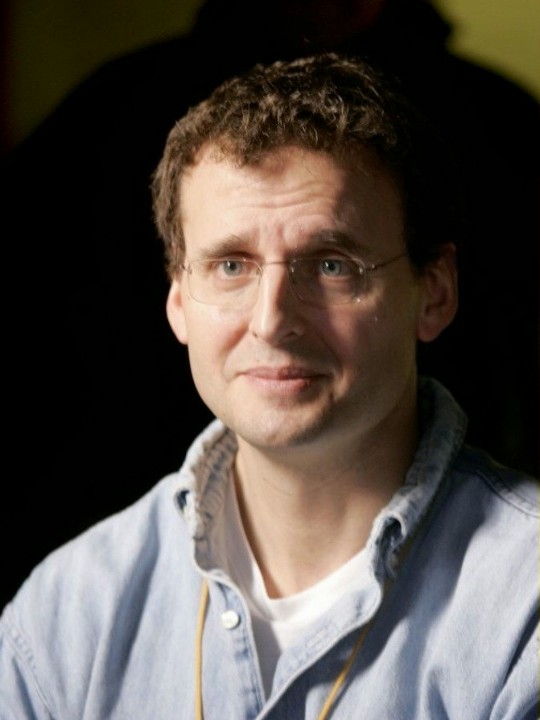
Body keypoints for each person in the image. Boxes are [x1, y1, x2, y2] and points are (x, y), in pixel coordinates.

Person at [1, 52, 538, 719]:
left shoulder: (526, 605)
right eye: (231, 265)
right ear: (178, 302)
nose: (271, 320)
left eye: (332, 265)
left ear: (434, 292)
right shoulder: (65, 614)